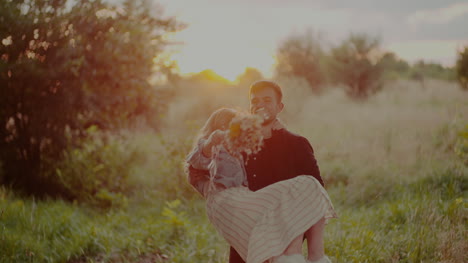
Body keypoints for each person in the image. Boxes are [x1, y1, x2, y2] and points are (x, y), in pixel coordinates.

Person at [187, 80, 336, 263]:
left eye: (267, 100)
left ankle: (311, 257)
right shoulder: (239, 144)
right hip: (246, 237)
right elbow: (196, 170)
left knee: (307, 184)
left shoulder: (297, 144)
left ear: (279, 107)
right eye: (255, 101)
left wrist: (292, 237)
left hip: (286, 238)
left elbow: (315, 194)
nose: (260, 105)